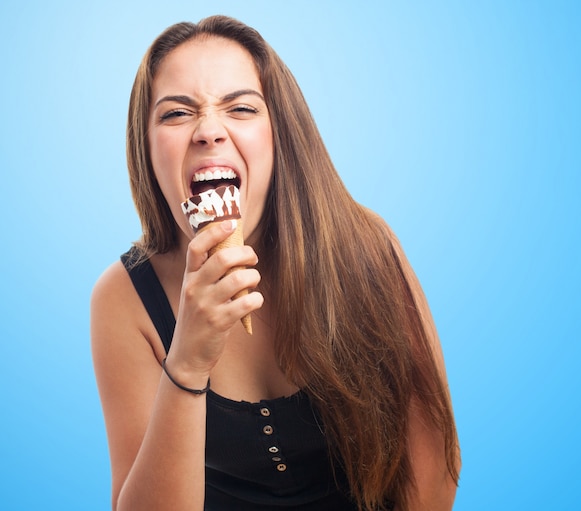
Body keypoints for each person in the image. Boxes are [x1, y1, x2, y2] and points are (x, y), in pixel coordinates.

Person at [91, 15, 460, 511]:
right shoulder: (123, 299)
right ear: (146, 145)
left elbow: (433, 474)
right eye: (177, 114)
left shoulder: (367, 247)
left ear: (280, 132)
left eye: (241, 107)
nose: (208, 131)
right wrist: (188, 361)